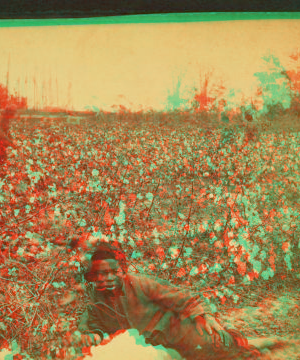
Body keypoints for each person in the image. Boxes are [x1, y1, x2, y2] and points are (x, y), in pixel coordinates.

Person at [71, 242, 279, 360]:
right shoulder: (95, 299)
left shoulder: (140, 284)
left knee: (221, 347)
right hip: (154, 346)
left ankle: (257, 344)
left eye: (109, 273)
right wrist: (91, 336)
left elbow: (178, 296)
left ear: (121, 271)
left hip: (179, 331)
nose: (103, 279)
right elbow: (91, 326)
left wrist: (203, 314)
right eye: (97, 275)